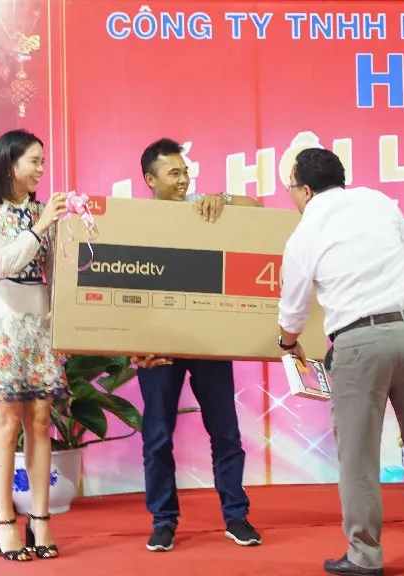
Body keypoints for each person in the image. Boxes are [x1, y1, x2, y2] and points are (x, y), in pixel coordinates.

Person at [277, 148, 404, 575]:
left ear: (306, 190)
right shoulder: (379, 201)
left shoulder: (304, 234)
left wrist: (288, 343)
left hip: (358, 344)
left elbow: (294, 308)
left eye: (291, 188)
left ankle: (365, 555)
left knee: (358, 455)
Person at [130, 137, 264, 552]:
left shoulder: (204, 208)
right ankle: (163, 521)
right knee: (157, 437)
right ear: (150, 179)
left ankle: (236, 516)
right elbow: (121, 285)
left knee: (226, 433)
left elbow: (257, 209)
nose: (183, 180)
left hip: (209, 341)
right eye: (174, 173)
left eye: (186, 172)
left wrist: (224, 199)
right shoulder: (133, 221)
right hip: (158, 347)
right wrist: (133, 344)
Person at [0, 129, 71, 562]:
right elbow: (2, 262)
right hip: (1, 322)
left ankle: (41, 519)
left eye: (43, 162)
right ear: (10, 163)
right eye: (34, 161)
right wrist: (41, 226)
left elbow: (56, 271)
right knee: (6, 422)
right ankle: (5, 520)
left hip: (38, 321)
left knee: (40, 421)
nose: (41, 169)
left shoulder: (42, 211)